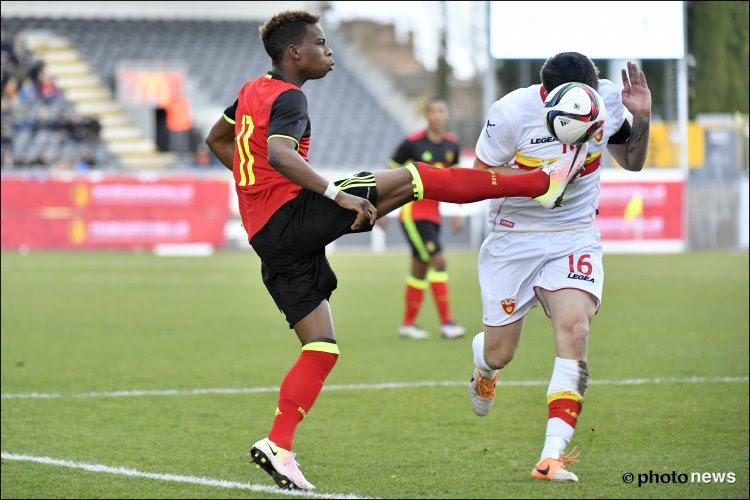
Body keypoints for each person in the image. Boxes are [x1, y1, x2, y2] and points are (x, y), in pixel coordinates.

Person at [205, 11, 588, 491]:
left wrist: (253, 188)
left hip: (269, 236)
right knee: (418, 177)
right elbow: (281, 154)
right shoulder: (290, 96)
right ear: (293, 54)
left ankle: (278, 446)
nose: (330, 53)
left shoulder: (249, 91)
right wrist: (335, 195)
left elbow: (217, 139)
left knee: (321, 347)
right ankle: (540, 183)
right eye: (321, 44)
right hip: (293, 216)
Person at [467, 53, 651, 482]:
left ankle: (551, 458)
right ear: (546, 95)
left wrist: (641, 118)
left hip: (574, 235)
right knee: (500, 352)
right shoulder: (511, 113)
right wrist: (541, 182)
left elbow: (634, 160)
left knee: (576, 330)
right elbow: (480, 177)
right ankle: (484, 368)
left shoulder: (606, 99)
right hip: (514, 239)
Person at [388, 97, 466, 340]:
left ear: (447, 115)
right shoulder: (412, 144)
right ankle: (447, 323)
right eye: (433, 111)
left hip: (434, 215)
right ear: (427, 115)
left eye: (441, 111)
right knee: (438, 261)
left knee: (419, 269)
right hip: (413, 213)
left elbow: (455, 179)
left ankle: (407, 324)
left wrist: (458, 210)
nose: (437, 116)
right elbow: (390, 174)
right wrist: (381, 208)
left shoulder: (452, 145)